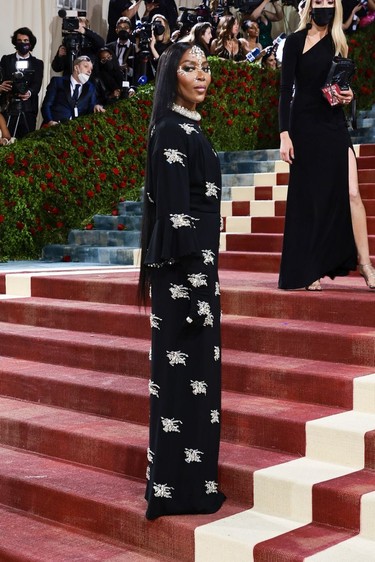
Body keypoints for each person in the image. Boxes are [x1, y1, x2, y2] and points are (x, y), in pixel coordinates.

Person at [138, 41, 226, 520]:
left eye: (206, 67)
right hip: (184, 278)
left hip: (197, 272)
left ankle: (192, 482)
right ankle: (176, 489)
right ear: (171, 75)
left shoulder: (188, 128)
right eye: (190, 68)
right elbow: (174, 215)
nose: (202, 75)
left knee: (197, 383)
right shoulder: (172, 131)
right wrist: (196, 285)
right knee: (180, 383)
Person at [278, 0, 375, 290]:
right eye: (318, 1)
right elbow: (285, 91)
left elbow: (339, 85)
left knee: (352, 191)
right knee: (311, 198)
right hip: (304, 125)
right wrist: (284, 134)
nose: (324, 6)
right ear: (310, 6)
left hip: (333, 123)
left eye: (329, 1)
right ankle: (312, 267)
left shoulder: (338, 42)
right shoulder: (295, 41)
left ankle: (366, 264)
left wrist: (348, 95)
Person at [0, 27, 43, 138]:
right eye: (19, 41)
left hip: (28, 108)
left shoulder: (37, 63)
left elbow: (37, 83)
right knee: (8, 141)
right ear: (15, 42)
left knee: (27, 141)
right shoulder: (6, 60)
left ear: (31, 43)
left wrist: (29, 92)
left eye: (25, 41)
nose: (22, 43)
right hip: (9, 106)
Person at [41, 56, 105, 127]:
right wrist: (50, 121)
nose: (89, 71)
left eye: (91, 69)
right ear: (76, 68)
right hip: (54, 127)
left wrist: (96, 106)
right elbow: (47, 105)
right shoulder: (58, 81)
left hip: (75, 130)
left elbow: (91, 106)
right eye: (86, 66)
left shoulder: (90, 87)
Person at [106, 17, 137, 87]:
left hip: (129, 83)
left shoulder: (135, 49)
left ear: (130, 31)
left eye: (126, 28)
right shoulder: (108, 48)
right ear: (116, 30)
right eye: (120, 27)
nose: (123, 30)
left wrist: (128, 69)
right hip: (111, 84)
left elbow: (137, 70)